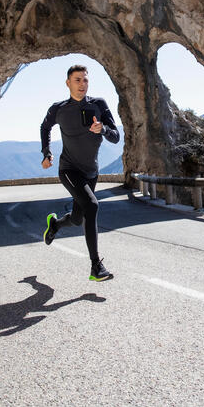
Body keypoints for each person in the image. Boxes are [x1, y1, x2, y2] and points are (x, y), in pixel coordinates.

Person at [40, 65, 120, 281]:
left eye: (85, 80)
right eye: (77, 80)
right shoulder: (59, 109)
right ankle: (96, 266)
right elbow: (45, 127)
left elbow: (115, 136)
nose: (82, 84)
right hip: (69, 169)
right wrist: (47, 152)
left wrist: (102, 129)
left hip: (91, 172)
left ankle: (55, 224)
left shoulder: (99, 105)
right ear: (68, 83)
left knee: (77, 219)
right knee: (92, 205)